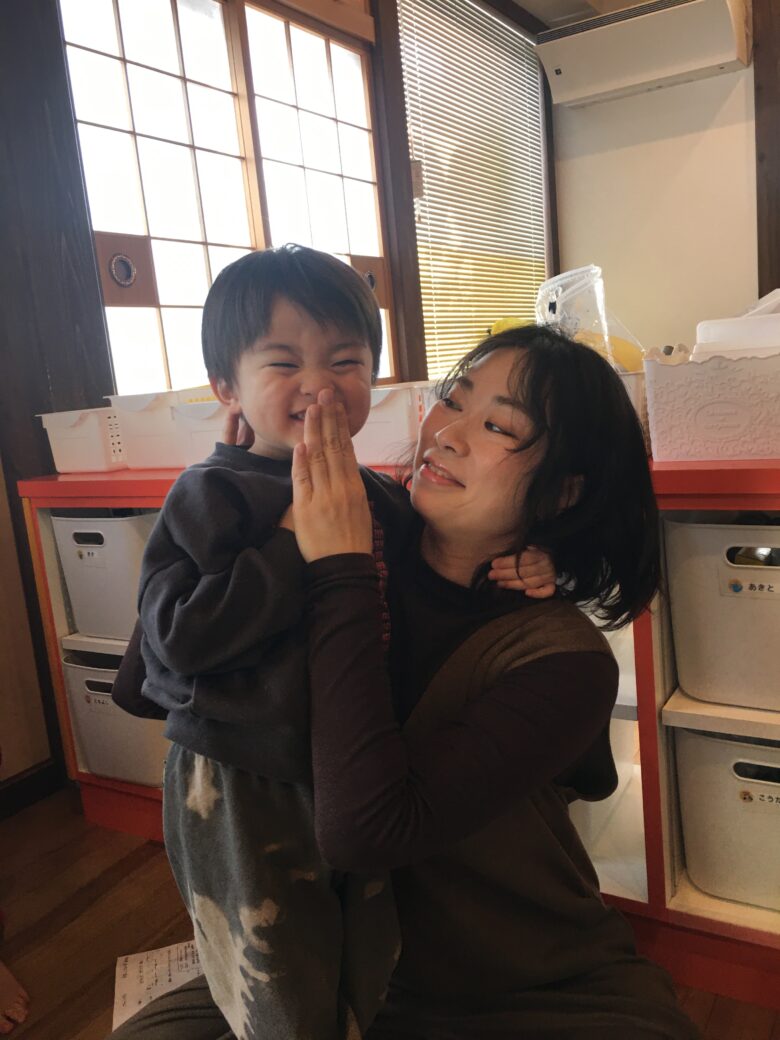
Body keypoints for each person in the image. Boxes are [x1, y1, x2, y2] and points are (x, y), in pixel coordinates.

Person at [110, 246, 553, 1040]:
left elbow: (432, 580)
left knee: (365, 946)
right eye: (284, 362)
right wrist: (294, 543)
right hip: (239, 777)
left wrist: (524, 564)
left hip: (350, 764)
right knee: (276, 976)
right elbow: (176, 636)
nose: (320, 384)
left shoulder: (380, 492)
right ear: (227, 388)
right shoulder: (213, 493)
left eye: (346, 361)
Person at [289, 325, 699, 1039]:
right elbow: (159, 670)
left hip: (521, 977)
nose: (446, 434)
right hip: (334, 960)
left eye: (499, 427)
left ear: (562, 492)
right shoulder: (358, 531)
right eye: (453, 400)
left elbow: (367, 831)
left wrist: (340, 575)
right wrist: (231, 479)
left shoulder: (563, 662)